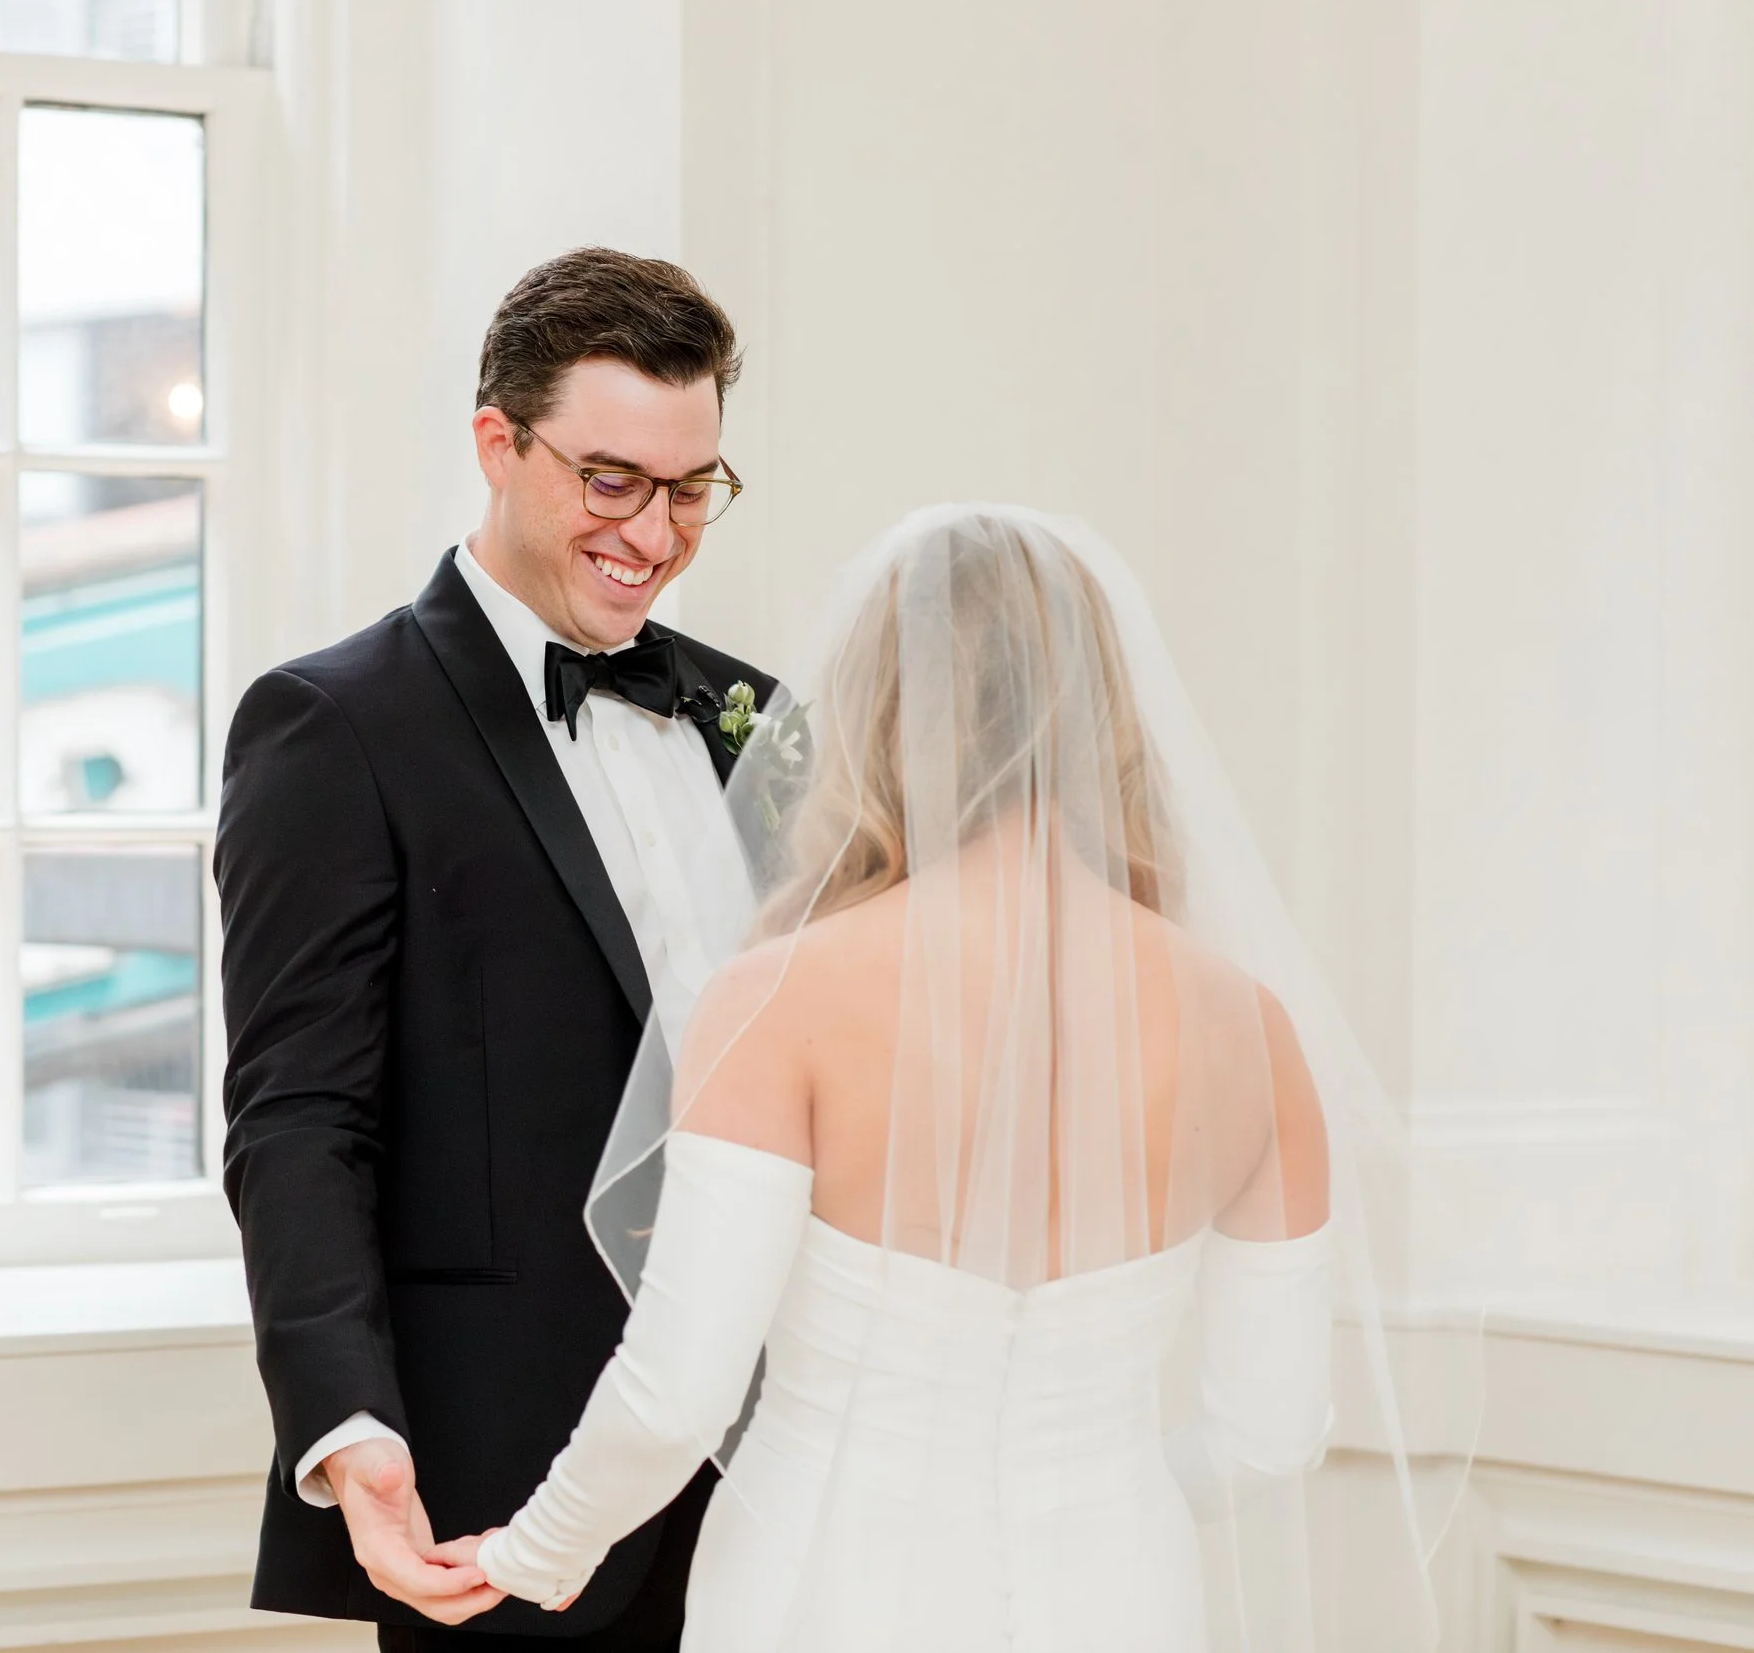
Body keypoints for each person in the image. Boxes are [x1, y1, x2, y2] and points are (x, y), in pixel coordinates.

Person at [461, 505, 1473, 1650]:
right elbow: (1271, 1431)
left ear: (879, 712)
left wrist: (528, 1548)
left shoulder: (784, 996)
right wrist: (1094, 1499)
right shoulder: (1252, 1029)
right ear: (1109, 712)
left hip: (825, 1593)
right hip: (1124, 1598)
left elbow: (679, 1390)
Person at [215, 248, 773, 1650]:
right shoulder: (332, 725)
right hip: (505, 1490)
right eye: (610, 479)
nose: (653, 533)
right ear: (496, 443)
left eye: (691, 486)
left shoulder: (756, 716)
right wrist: (347, 1423)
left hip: (784, 1469)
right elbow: (297, 1118)